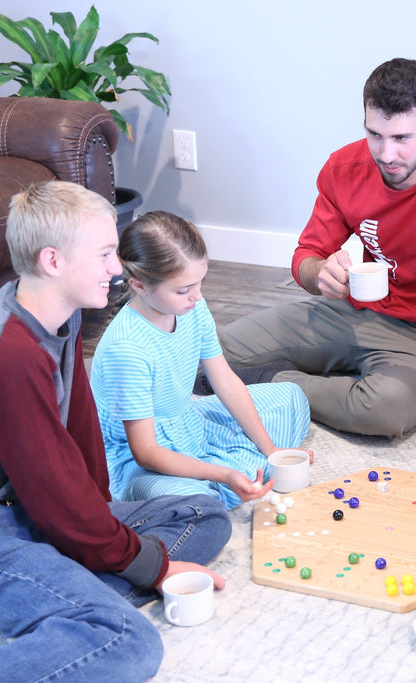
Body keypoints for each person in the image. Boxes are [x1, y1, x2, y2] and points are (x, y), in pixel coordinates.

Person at [0, 182, 232, 682]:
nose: (117, 268)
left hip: (17, 511)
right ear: (53, 261)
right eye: (105, 254)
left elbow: (79, 436)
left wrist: (100, 521)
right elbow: (52, 494)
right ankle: (78, 614)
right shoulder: (11, 355)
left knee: (204, 513)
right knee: (126, 642)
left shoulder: (58, 316)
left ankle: (66, 605)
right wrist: (151, 569)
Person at [210, 57, 416, 438]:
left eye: (402, 138)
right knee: (205, 357)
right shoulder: (343, 168)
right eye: (375, 135)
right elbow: (305, 256)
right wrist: (320, 274)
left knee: (386, 409)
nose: (386, 154)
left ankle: (272, 383)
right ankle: (270, 381)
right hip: (349, 310)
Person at [90, 210, 312, 509]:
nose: (197, 296)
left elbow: (225, 381)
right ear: (139, 286)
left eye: (200, 283)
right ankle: (220, 486)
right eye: (183, 290)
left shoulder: (193, 307)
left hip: (187, 420)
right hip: (138, 458)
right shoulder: (127, 348)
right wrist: (224, 474)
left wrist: (271, 450)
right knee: (195, 501)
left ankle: (232, 477)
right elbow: (145, 452)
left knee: (290, 397)